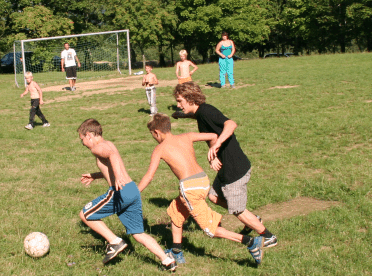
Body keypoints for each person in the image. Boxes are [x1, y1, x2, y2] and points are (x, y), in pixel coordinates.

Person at [137, 114, 265, 265]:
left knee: (210, 229)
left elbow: (149, 177)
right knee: (176, 212)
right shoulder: (187, 136)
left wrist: (134, 192)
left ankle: (250, 242)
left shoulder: (159, 149)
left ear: (156, 132)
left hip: (190, 188)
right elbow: (213, 135)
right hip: (203, 181)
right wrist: (213, 155)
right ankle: (177, 251)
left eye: (152, 135)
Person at [170, 82, 279, 248]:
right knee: (213, 196)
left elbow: (231, 124)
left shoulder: (207, 111)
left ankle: (268, 236)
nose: (178, 105)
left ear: (191, 100)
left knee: (237, 210)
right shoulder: (200, 113)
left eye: (180, 101)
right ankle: (251, 218)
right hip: (225, 166)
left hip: (234, 168)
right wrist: (181, 115)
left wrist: (217, 144)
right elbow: (200, 119)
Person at [75, 119, 176, 271]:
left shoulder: (97, 149)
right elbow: (112, 163)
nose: (82, 143)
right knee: (138, 233)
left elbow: (112, 157)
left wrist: (117, 179)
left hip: (120, 191)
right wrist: (95, 175)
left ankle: (114, 241)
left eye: (82, 139)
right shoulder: (109, 143)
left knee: (85, 214)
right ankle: (167, 261)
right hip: (132, 190)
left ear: (89, 135)